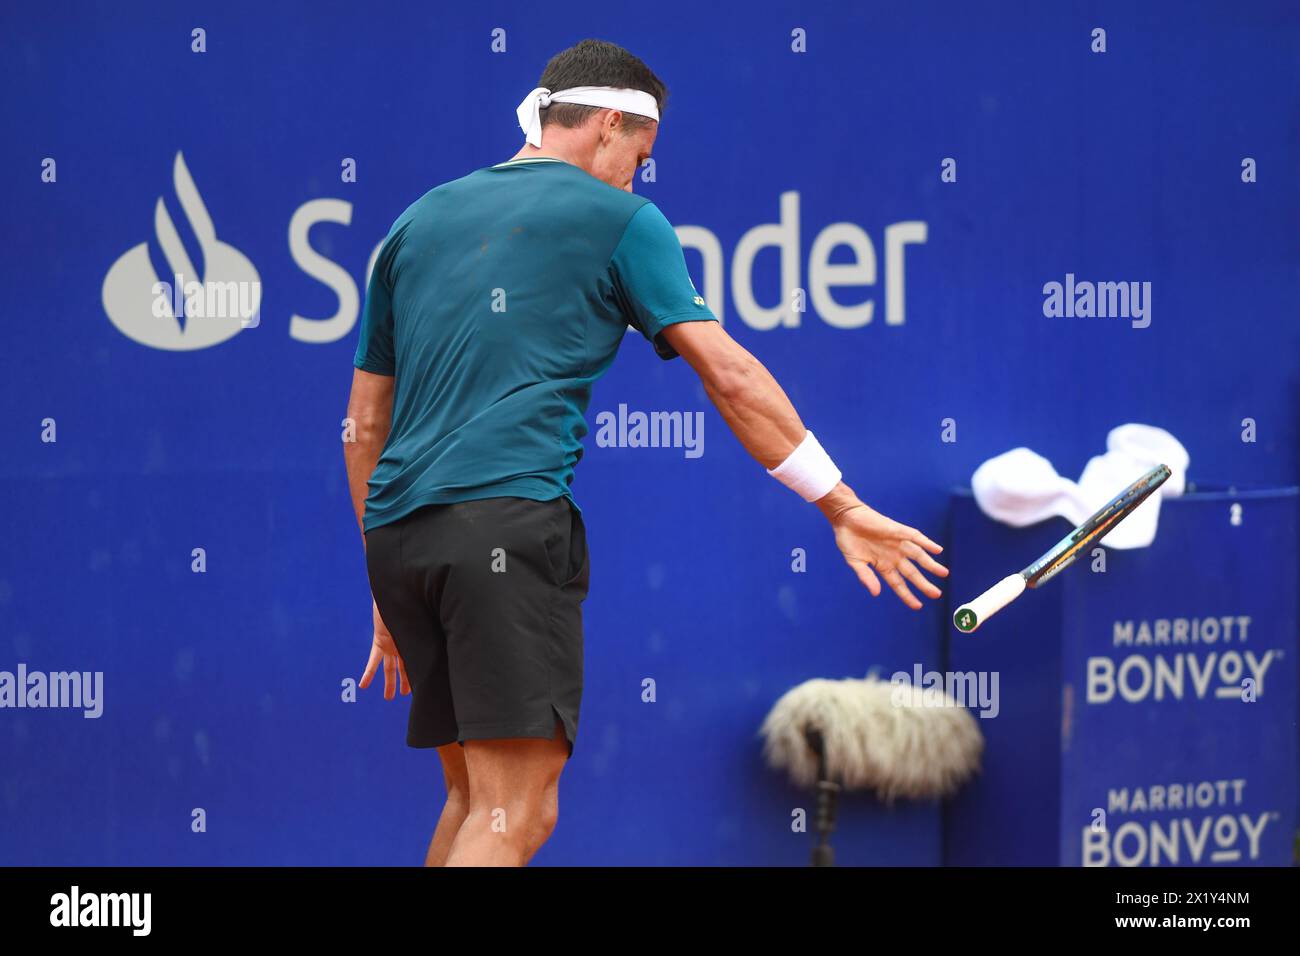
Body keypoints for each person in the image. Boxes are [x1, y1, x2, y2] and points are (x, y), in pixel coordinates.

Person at [343, 38, 948, 867]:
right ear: (609, 122)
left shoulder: (417, 220)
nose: (638, 173)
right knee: (515, 816)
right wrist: (840, 505)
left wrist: (383, 578)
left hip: (400, 540)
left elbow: (364, 426)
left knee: (473, 800)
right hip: (504, 531)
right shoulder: (622, 220)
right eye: (640, 153)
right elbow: (730, 377)